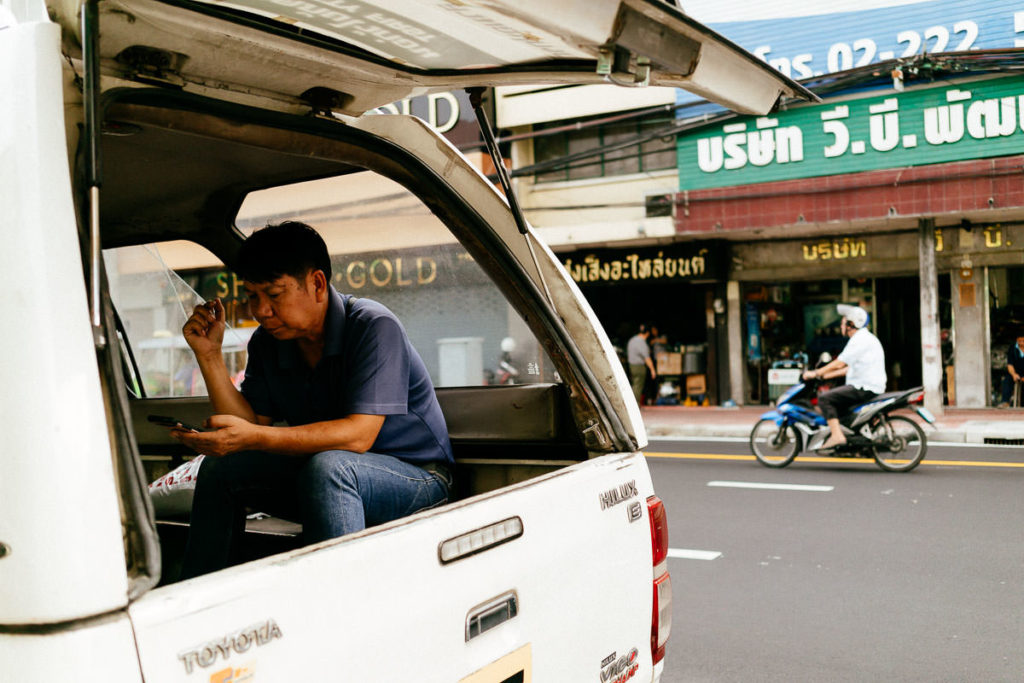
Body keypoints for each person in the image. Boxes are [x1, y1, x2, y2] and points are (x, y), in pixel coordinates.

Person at [172, 221, 454, 579]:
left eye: (274, 294)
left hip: (417, 480)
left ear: (317, 284)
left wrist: (255, 438)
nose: (260, 311)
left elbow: (359, 436)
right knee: (221, 468)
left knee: (331, 468)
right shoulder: (268, 343)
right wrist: (209, 356)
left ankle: (335, 606)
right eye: (253, 296)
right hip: (322, 475)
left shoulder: (373, 326)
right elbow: (251, 426)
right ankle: (200, 596)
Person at [801, 304, 886, 448]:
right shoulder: (865, 338)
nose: (841, 325)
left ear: (851, 324)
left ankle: (837, 436)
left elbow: (840, 363)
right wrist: (825, 376)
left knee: (824, 399)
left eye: (843, 322)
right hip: (867, 386)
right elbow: (849, 368)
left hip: (863, 388)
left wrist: (816, 373)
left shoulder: (859, 339)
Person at [626, 323, 657, 405]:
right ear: (647, 333)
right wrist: (652, 370)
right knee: (638, 386)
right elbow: (647, 358)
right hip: (639, 366)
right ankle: (634, 404)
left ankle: (634, 403)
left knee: (635, 384)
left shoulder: (632, 340)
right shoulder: (642, 343)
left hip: (631, 365)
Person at [998, 334, 1024, 407]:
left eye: (1023, 341)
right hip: (1016, 372)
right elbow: (1010, 365)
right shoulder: (1013, 349)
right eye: (1019, 341)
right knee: (1007, 380)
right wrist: (1014, 374)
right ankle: (1005, 401)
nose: (1021, 343)